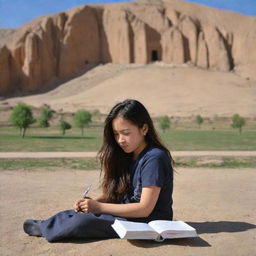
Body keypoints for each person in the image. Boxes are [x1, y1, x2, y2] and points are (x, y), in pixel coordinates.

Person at [23, 99, 174, 242]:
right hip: (131, 215)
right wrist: (93, 203)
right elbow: (118, 193)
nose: (120, 139)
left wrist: (99, 207)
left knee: (85, 221)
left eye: (126, 133)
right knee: (82, 213)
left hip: (148, 222)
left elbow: (144, 209)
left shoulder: (154, 158)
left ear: (144, 129)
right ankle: (47, 224)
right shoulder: (130, 153)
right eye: (116, 134)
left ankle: (46, 227)